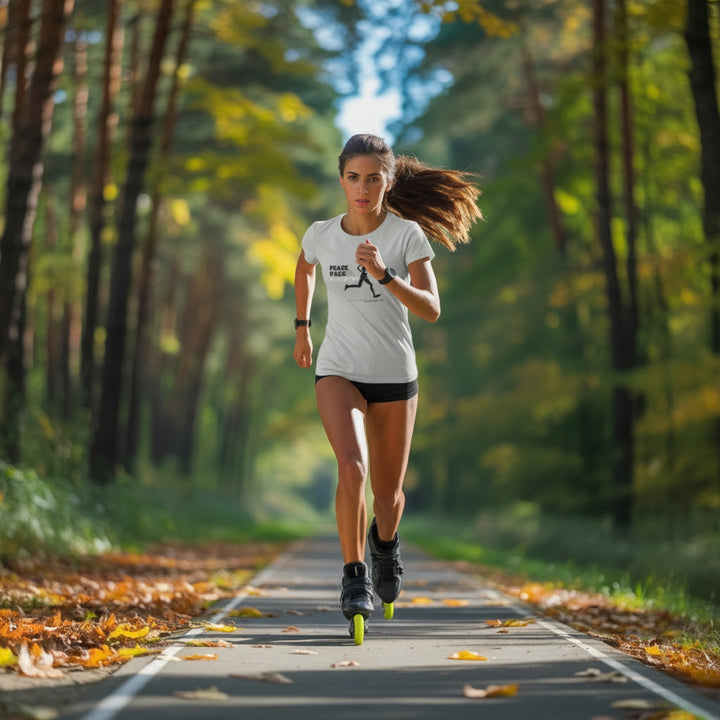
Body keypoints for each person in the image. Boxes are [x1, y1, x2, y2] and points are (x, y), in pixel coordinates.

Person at [293, 133, 481, 625]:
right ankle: (354, 578)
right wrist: (302, 327)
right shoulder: (321, 233)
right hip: (338, 369)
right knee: (351, 469)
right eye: (353, 178)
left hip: (395, 374)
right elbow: (304, 267)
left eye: (373, 178)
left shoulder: (406, 236)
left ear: (388, 180)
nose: (363, 188)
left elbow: (432, 310)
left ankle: (385, 543)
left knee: (388, 495)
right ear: (341, 180)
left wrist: (383, 274)